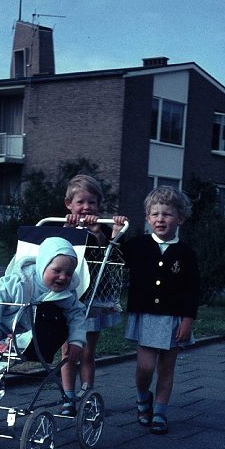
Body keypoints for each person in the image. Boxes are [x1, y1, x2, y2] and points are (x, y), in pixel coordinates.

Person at [121, 186, 200, 435]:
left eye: (167, 214)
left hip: (173, 319)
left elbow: (192, 289)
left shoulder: (186, 254)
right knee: (145, 367)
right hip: (145, 316)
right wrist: (114, 232)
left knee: (166, 368)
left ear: (180, 218)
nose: (160, 219)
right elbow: (114, 253)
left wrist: (187, 320)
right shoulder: (138, 245)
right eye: (154, 214)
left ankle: (160, 412)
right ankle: (143, 399)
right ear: (147, 218)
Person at [0, 237, 87, 363]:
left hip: (31, 334)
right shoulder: (21, 282)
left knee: (32, 337)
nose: (63, 277)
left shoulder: (67, 295)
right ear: (43, 265)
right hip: (4, 324)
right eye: (57, 271)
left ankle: (5, 344)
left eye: (68, 274)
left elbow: (77, 316)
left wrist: (76, 341)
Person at [59, 174, 128, 415]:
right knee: (68, 351)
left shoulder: (102, 228)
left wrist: (100, 232)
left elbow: (108, 256)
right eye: (81, 202)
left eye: (92, 202)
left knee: (87, 351)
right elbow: (58, 253)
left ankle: (87, 393)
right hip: (69, 296)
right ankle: (68, 397)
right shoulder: (64, 225)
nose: (87, 207)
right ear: (69, 204)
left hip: (94, 296)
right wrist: (70, 230)